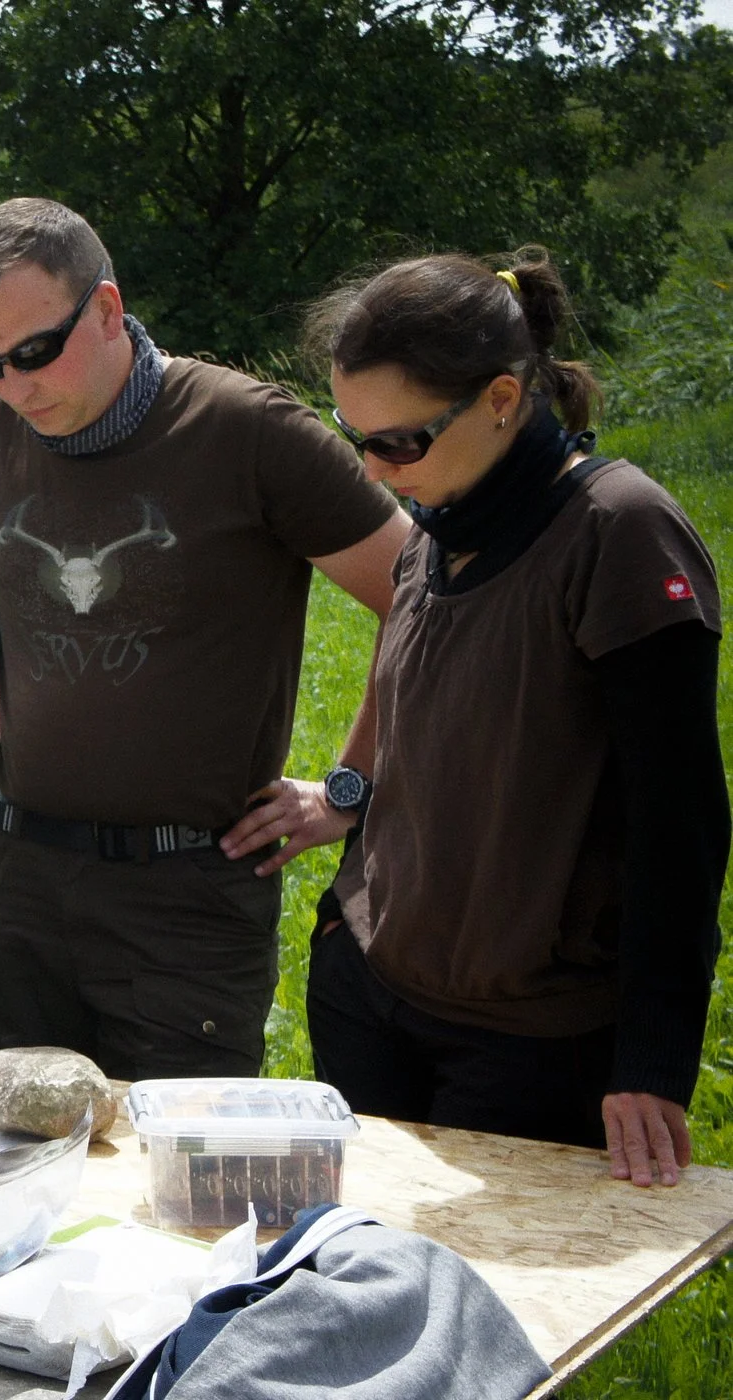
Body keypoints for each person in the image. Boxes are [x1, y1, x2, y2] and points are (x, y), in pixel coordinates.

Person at [0, 197, 409, 1081]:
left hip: (187, 896)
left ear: (109, 309)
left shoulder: (245, 429)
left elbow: (417, 597)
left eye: (36, 351)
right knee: (26, 1166)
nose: (14, 384)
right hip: (28, 877)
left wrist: (350, 787)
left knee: (178, 1190)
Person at [306, 249, 727, 1188]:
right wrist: (344, 917)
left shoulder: (620, 532)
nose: (374, 469)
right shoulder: (439, 524)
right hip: (373, 1001)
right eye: (354, 434)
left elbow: (682, 822)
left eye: (401, 441)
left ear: (503, 397)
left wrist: (653, 1063)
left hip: (531, 1044)